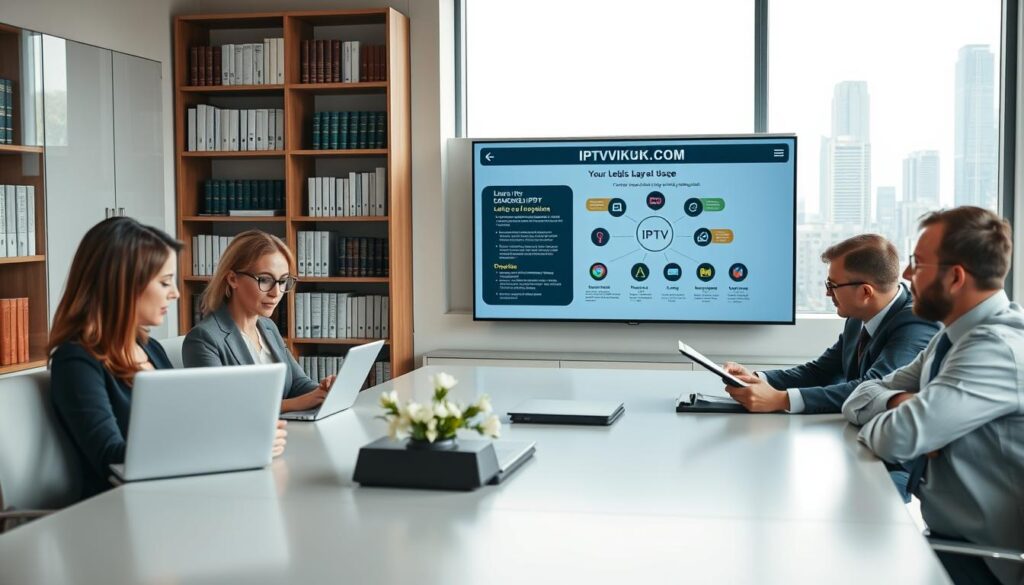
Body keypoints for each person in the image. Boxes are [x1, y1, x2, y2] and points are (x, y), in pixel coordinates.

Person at [842, 207, 1023, 585]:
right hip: (946, 539)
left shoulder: (993, 348)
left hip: (986, 562)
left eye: (917, 264)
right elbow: (860, 395)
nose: (906, 276)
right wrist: (896, 402)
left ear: (955, 277)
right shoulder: (951, 337)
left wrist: (906, 421)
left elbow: (898, 438)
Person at [48, 218, 287, 499]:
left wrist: (248, 435)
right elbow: (112, 457)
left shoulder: (150, 349)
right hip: (121, 509)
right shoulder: (76, 361)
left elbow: (191, 423)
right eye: (164, 282)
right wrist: (236, 442)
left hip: (174, 494)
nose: (174, 293)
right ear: (122, 285)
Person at [723, 234, 938, 415]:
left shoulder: (916, 322)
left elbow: (872, 389)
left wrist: (782, 400)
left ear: (865, 292)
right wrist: (756, 378)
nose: (827, 293)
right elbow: (820, 372)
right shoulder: (857, 315)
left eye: (832, 285)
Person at [182, 230, 334, 413]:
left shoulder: (267, 327)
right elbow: (222, 408)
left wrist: (324, 390)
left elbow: (297, 383)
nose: (276, 293)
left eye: (283, 281)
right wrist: (296, 404)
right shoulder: (203, 339)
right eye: (265, 279)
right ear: (232, 279)